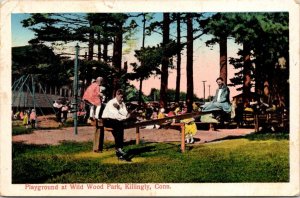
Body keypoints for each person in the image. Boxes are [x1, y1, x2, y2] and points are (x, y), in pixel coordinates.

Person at [101, 89, 130, 161]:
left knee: (119, 128)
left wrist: (120, 109)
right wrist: (125, 118)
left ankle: (119, 151)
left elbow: (125, 113)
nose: (122, 99)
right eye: (121, 97)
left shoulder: (122, 103)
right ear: (116, 95)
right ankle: (119, 148)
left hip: (116, 120)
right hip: (107, 120)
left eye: (123, 97)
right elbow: (115, 115)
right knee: (119, 126)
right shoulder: (112, 102)